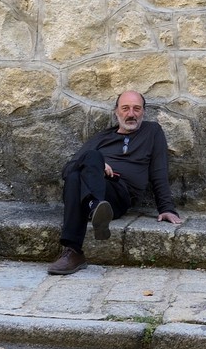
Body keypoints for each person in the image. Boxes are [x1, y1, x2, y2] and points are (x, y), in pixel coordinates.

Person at [47, 90, 184, 276]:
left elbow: (159, 170)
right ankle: (84, 230)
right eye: (125, 108)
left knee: (86, 165)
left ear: (143, 112)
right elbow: (67, 169)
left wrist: (166, 208)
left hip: (118, 193)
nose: (131, 114)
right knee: (81, 168)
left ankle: (90, 220)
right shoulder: (102, 138)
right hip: (94, 190)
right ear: (116, 112)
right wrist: (97, 164)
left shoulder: (152, 131)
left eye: (137, 109)